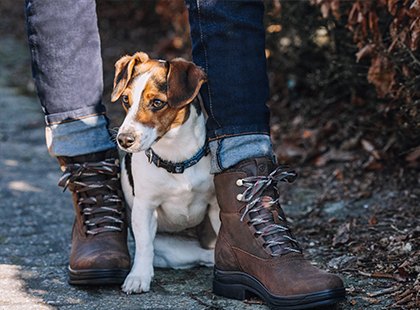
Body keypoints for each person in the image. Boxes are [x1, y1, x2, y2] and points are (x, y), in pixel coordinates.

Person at [25, 0, 345, 307]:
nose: (131, 125)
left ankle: (243, 196)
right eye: (128, 104)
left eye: (156, 104)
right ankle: (91, 173)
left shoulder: (181, 87)